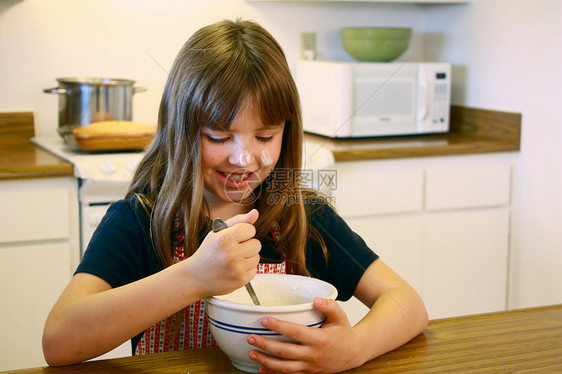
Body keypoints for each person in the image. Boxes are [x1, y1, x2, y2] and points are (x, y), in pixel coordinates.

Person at [42, 18, 428, 373]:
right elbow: (59, 341)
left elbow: (408, 304)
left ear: (287, 133)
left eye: (264, 136)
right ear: (182, 131)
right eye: (220, 137)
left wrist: (355, 346)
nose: (244, 158)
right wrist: (194, 276)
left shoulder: (304, 218)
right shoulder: (138, 222)